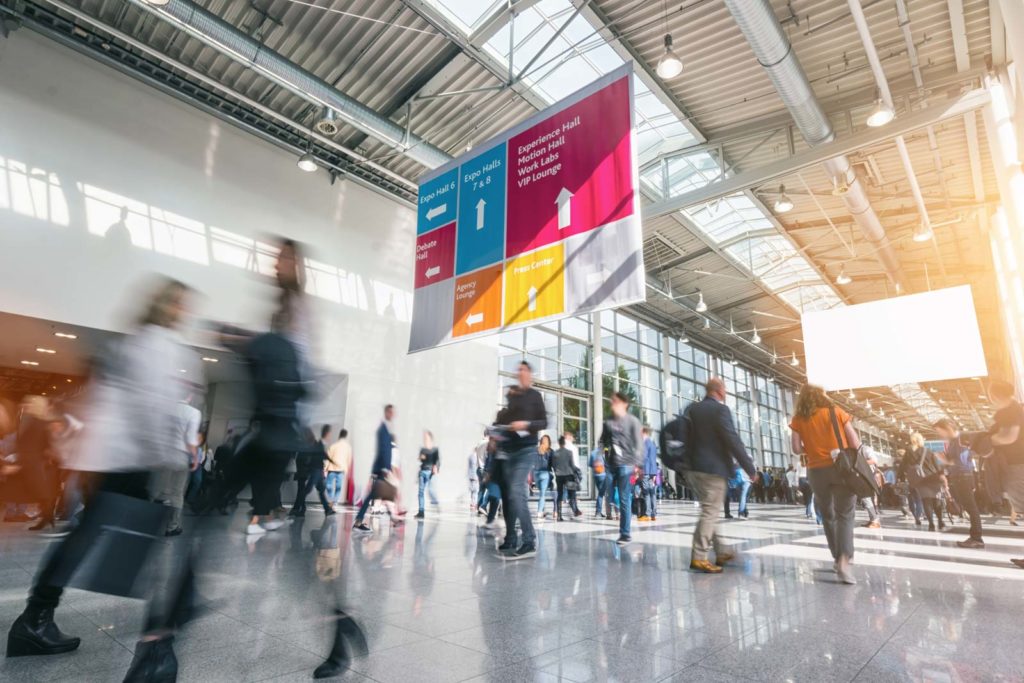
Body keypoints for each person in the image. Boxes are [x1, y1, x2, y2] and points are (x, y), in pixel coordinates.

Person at [5, 278, 197, 676]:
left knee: (90, 537)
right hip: (128, 460)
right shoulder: (158, 345)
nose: (185, 311)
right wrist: (169, 456)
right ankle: (155, 644)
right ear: (170, 307)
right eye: (181, 304)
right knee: (127, 542)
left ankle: (36, 617)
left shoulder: (132, 341)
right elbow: (152, 407)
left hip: (105, 457)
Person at [681, 378, 756, 573]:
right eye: (725, 388)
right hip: (712, 470)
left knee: (710, 510)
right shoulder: (720, 410)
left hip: (692, 469)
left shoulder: (691, 409)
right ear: (720, 391)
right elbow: (732, 439)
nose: (726, 392)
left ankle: (721, 550)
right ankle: (699, 556)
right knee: (710, 512)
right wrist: (750, 468)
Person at [789, 384, 860, 585]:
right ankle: (845, 561)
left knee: (827, 515)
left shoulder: (798, 419)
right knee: (844, 514)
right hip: (841, 468)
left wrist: (812, 448)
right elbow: (854, 442)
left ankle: (837, 557)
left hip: (816, 471)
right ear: (821, 396)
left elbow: (795, 448)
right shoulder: (836, 412)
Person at [494, 361, 547, 560]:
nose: (519, 373)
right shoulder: (513, 395)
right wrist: (497, 430)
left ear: (530, 374)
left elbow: (543, 422)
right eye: (518, 370)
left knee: (517, 491)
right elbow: (505, 421)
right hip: (509, 450)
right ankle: (511, 538)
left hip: (526, 449)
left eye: (523, 370)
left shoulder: (534, 396)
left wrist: (525, 423)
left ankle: (529, 541)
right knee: (510, 496)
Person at [987, 381, 1024, 568]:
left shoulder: (1008, 411)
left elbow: (1010, 436)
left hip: (1017, 465)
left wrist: (987, 440)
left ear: (994, 395)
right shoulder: (1018, 408)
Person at [601, 392, 645, 546]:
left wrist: (638, 465)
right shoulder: (608, 422)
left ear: (624, 404)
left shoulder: (632, 421)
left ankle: (625, 534)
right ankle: (614, 507)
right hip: (611, 465)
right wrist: (601, 457)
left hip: (626, 465)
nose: (613, 403)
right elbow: (603, 441)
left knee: (625, 499)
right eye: (612, 401)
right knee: (610, 496)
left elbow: (639, 444)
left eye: (616, 401)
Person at [155, 392, 201, 536]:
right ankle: (172, 526)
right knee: (177, 493)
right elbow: (190, 439)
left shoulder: (166, 409)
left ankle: (148, 522)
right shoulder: (193, 412)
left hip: (162, 454)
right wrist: (195, 458)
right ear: (190, 396)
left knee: (158, 490)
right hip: (180, 456)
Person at [934, 418, 984, 548]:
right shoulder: (953, 442)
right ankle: (975, 537)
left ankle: (976, 538)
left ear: (948, 428)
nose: (940, 435)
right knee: (969, 508)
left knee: (972, 508)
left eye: (941, 432)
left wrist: (944, 459)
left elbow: (961, 463)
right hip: (959, 477)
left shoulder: (961, 440)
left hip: (963, 477)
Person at [353, 405, 402, 532]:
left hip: (382, 468)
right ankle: (359, 521)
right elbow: (383, 450)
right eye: (391, 412)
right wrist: (386, 469)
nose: (393, 415)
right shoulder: (383, 429)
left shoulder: (385, 428)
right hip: (382, 469)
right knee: (380, 494)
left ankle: (391, 518)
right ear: (387, 412)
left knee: (381, 494)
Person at [903, 432, 948, 532]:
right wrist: (942, 476)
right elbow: (937, 465)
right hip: (933, 478)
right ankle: (940, 521)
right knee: (937, 501)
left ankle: (931, 524)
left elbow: (903, 466)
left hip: (920, 480)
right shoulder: (928, 451)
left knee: (926, 501)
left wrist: (900, 478)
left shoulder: (909, 452)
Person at [292, 424, 335, 518]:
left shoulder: (307, 444)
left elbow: (310, 457)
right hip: (309, 470)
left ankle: (299, 509)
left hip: (307, 470)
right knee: (309, 490)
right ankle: (299, 509)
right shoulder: (312, 443)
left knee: (305, 490)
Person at [550, 436, 582, 521]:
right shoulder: (569, 452)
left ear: (559, 443)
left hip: (559, 476)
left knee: (559, 495)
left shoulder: (555, 453)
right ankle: (574, 510)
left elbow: (553, 465)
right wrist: (577, 472)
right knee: (571, 494)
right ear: (564, 443)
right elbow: (572, 465)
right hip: (569, 475)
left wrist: (557, 471)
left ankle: (559, 515)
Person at [415, 430, 440, 519]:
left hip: (430, 472)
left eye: (426, 437)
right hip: (422, 471)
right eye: (424, 437)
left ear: (430, 438)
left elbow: (437, 461)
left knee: (430, 490)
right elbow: (421, 459)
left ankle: (436, 503)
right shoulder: (423, 449)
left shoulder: (435, 449)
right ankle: (421, 511)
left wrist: (436, 468)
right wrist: (421, 458)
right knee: (420, 492)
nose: (425, 439)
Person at [325, 429, 350, 508]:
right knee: (338, 487)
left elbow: (328, 457)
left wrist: (325, 467)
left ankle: (332, 501)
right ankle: (334, 502)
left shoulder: (334, 445)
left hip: (332, 469)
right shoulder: (347, 447)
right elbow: (348, 459)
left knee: (329, 486)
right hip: (340, 469)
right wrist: (347, 469)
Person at [638, 427, 658, 521]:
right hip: (652, 471)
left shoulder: (645, 443)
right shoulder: (652, 443)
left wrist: (639, 467)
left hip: (646, 470)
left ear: (643, 433)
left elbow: (644, 457)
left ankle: (647, 514)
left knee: (646, 493)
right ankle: (654, 514)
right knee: (652, 493)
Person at [534, 434, 553, 520]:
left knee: (541, 493)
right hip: (545, 473)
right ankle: (539, 512)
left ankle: (542, 509)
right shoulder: (550, 451)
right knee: (542, 494)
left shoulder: (535, 450)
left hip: (536, 473)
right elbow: (553, 463)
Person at [589, 444, 609, 518]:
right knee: (601, 494)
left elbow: (590, 464)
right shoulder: (604, 453)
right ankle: (598, 512)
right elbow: (607, 464)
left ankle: (599, 511)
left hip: (596, 476)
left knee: (601, 493)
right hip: (603, 476)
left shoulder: (593, 452)